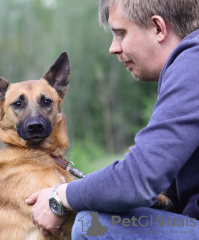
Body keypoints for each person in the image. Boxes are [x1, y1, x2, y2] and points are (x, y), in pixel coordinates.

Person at [25, 0, 199, 239]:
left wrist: (60, 197)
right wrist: (87, 196)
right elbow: (161, 189)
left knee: (91, 224)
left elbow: (137, 179)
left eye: (120, 33)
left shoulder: (193, 64)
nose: (113, 48)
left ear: (158, 28)